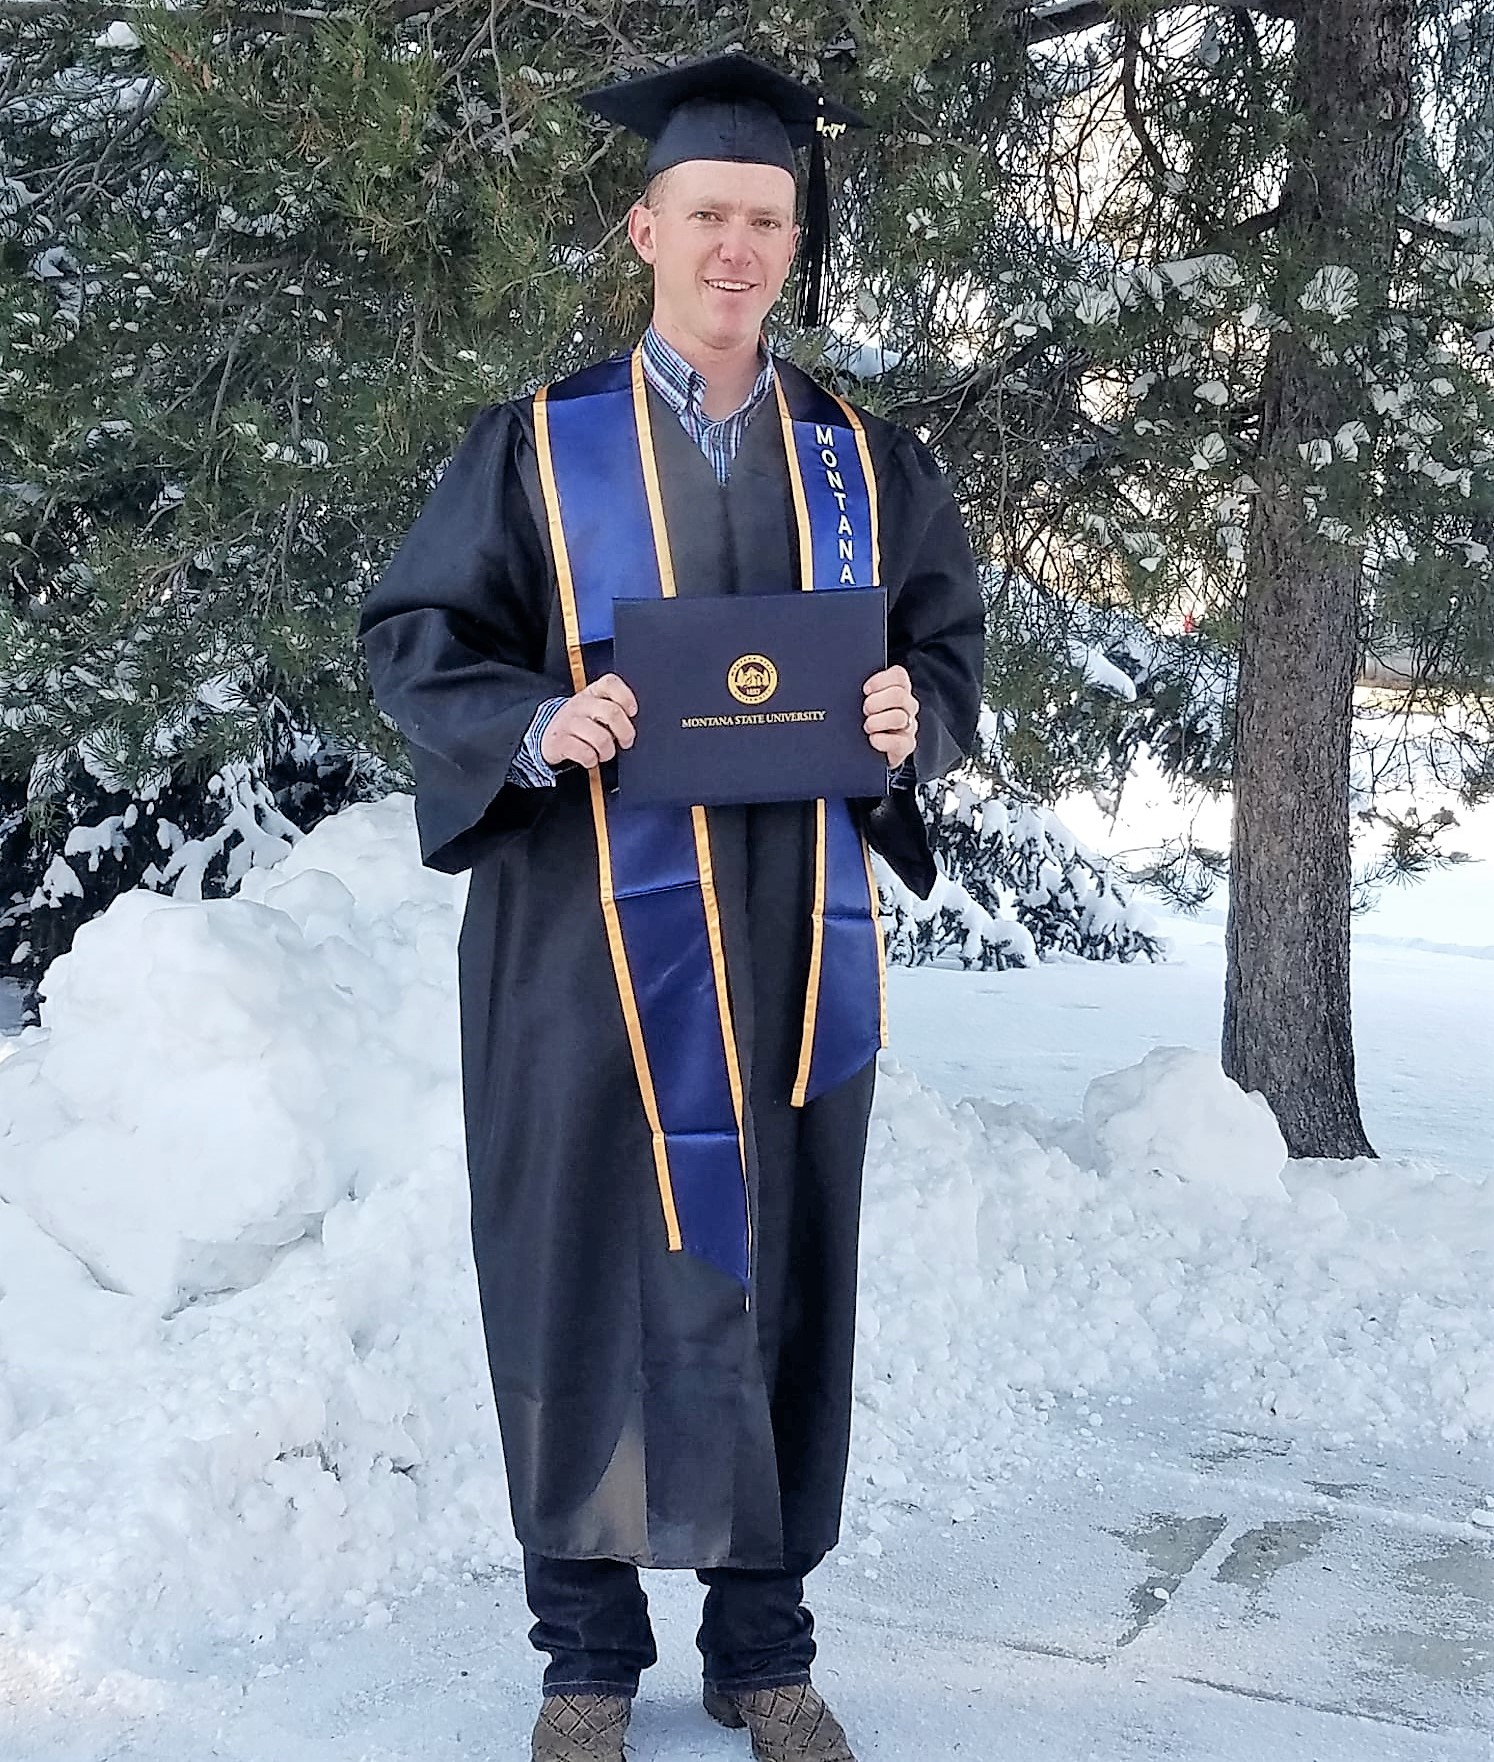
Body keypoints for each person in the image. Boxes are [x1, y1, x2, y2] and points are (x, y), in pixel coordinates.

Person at [357, 52, 985, 1762]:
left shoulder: (865, 458)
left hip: (788, 941)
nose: (736, 247)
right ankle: (583, 1656)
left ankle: (762, 1645)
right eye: (706, 214)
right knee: (574, 1265)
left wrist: (906, 721)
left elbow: (940, 652)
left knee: (779, 1266)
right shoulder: (536, 450)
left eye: (766, 221)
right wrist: (537, 721)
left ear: (793, 242)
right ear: (645, 225)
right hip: (581, 946)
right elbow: (418, 641)